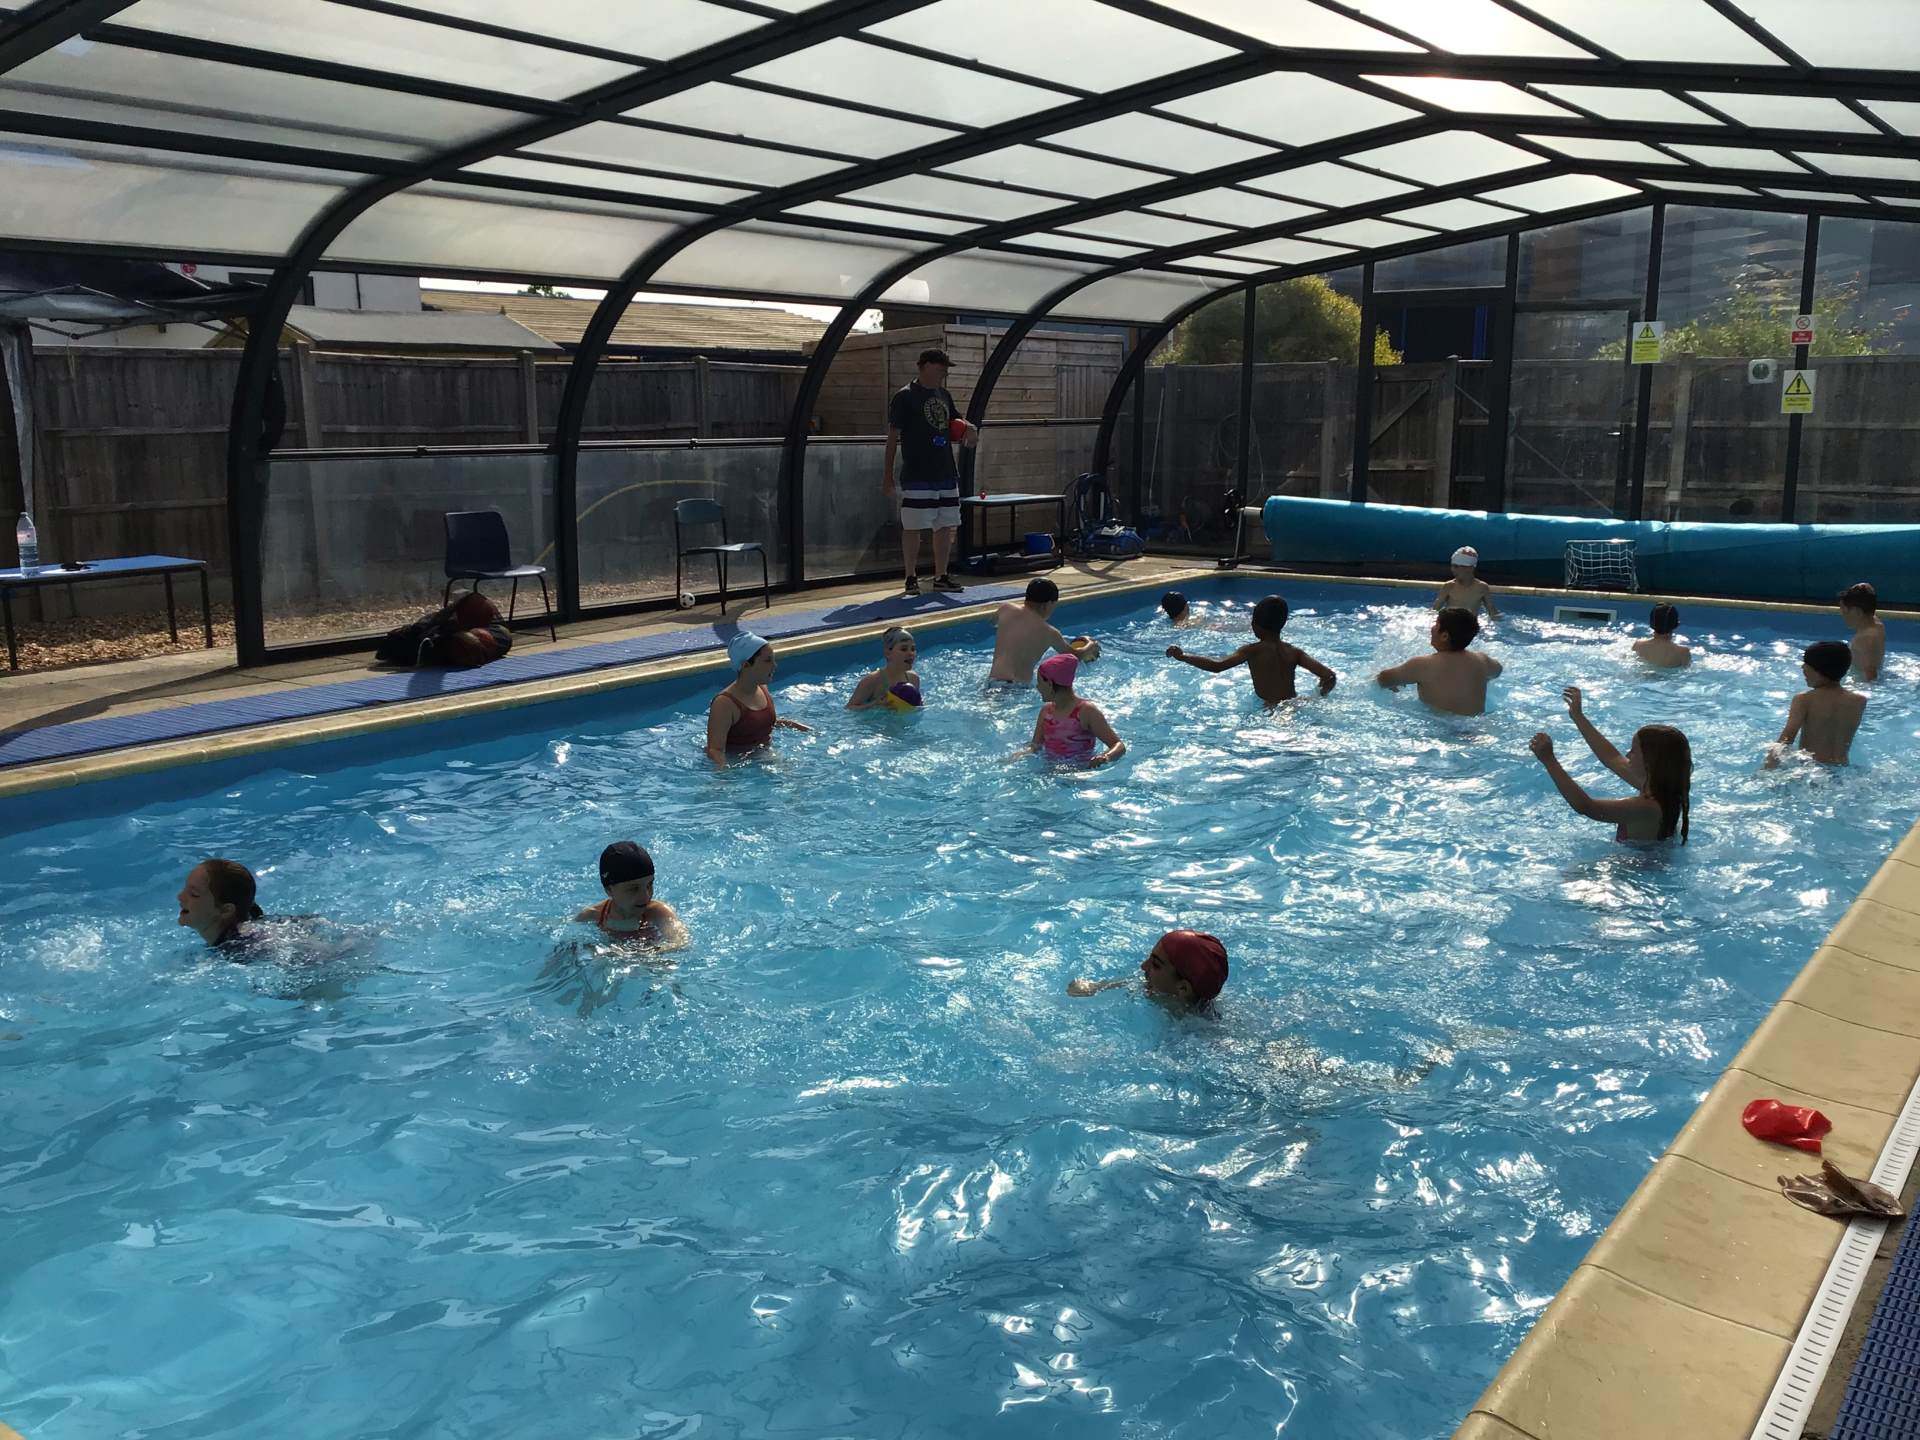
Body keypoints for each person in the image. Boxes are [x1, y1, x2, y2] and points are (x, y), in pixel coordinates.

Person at [1528, 687, 1691, 843]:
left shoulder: (1646, 808)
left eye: (1634, 751)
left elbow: (1585, 806)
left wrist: (1549, 760)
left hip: (1637, 862)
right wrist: (1578, 717)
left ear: (1649, 762)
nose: (1628, 755)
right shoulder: (1663, 789)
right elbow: (1612, 758)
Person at [883, 347, 975, 596]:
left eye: (945, 369)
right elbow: (892, 438)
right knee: (913, 526)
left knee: (945, 524)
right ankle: (910, 576)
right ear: (924, 366)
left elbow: (957, 420)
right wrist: (887, 476)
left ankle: (941, 575)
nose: (944, 373)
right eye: (940, 367)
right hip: (917, 473)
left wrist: (970, 428)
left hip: (945, 472)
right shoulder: (905, 396)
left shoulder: (943, 394)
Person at [1166, 593, 1335, 705]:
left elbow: (1217, 666)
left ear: (1255, 625)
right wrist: (1316, 697)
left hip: (1269, 709)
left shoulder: (1251, 651)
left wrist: (1183, 656)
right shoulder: (1295, 652)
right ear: (1283, 624)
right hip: (1293, 704)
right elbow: (1329, 676)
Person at [705, 631, 811, 765]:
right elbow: (715, 750)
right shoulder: (724, 703)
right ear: (745, 665)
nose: (774, 665)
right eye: (767, 660)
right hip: (740, 765)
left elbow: (759, 724)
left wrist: (795, 725)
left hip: (763, 756)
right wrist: (725, 776)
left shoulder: (762, 687)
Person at [1376, 607, 1503, 716]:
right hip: (1477, 727)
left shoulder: (1422, 664)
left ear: (1444, 636)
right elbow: (1498, 671)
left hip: (1440, 728)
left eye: (1436, 625)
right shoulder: (1482, 660)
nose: (1432, 628)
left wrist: (1394, 683)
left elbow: (1382, 679)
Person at [1067, 930, 1228, 1011]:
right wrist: (1092, 988)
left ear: (1183, 988)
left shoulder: (1202, 1038)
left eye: (1156, 965)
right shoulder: (1153, 987)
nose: (1143, 967)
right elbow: (1080, 989)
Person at [1769, 640, 1867, 767]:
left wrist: (1767, 769)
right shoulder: (1859, 701)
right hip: (1842, 768)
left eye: (1806, 664)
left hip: (1812, 768)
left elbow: (1785, 740)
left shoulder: (1804, 700)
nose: (1802, 668)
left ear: (1818, 670)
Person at [575, 841, 688, 948]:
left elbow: (680, 943)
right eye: (634, 889)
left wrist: (632, 954)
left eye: (649, 885)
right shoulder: (591, 916)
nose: (646, 896)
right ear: (609, 890)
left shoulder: (658, 913)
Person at [989, 577, 1099, 685]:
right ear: (1047, 605)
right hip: (1016, 688)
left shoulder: (1005, 609)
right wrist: (1090, 645)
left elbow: (993, 622)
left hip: (993, 682)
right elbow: (1075, 656)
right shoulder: (1050, 632)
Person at [1026, 652, 1124, 767]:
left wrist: (1106, 757)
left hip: (1081, 773)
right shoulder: (1046, 711)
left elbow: (1118, 745)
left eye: (1039, 683)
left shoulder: (1086, 712)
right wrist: (1021, 755)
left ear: (1050, 684)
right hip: (1049, 771)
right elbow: (1035, 745)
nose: (1037, 687)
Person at [176, 858, 265, 950]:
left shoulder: (241, 951)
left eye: (194, 894)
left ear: (225, 910)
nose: (180, 897)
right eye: (185, 888)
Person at [847, 626, 923, 710]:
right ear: (888, 653)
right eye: (904, 649)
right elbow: (849, 708)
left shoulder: (913, 678)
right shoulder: (873, 680)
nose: (911, 653)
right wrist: (874, 705)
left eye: (913, 649)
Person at [1434, 546, 1502, 619]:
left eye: (1456, 566)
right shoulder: (1449, 586)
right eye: (1452, 566)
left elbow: (1492, 612)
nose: (1452, 569)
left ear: (1470, 568)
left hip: (1471, 625)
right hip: (1452, 624)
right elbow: (1434, 611)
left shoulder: (1482, 587)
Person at [1839, 583, 1885, 682]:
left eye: (1845, 611)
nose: (1842, 615)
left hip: (1861, 683)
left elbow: (1871, 674)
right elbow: (1867, 588)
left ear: (1857, 611)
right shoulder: (1877, 624)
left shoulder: (1864, 639)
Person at [1632, 603, 1692, 669]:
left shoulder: (1638, 645)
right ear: (1676, 624)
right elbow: (1686, 669)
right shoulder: (1683, 652)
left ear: (1651, 624)